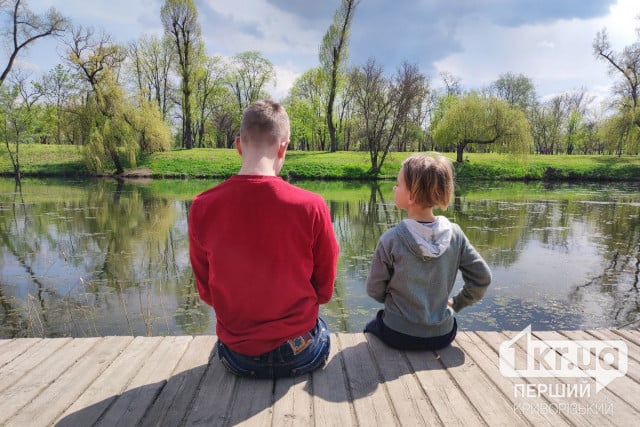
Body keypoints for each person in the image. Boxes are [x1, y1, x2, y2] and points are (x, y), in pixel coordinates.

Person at [188, 100, 339, 378]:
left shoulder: (202, 206)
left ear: (238, 144)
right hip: (300, 353)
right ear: (283, 146)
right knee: (322, 329)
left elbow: (207, 292)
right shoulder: (312, 205)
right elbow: (325, 290)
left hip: (238, 358)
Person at [364, 153, 491, 351]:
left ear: (412, 195)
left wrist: (393, 304)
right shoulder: (455, 235)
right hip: (442, 334)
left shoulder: (391, 239)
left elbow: (374, 289)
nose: (394, 188)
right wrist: (457, 303)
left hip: (397, 333)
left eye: (398, 184)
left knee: (369, 328)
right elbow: (482, 278)